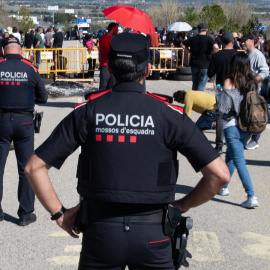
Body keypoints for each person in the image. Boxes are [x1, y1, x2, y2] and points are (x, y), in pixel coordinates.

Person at [25, 32, 230, 269]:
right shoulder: (169, 116)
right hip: (154, 235)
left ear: (109, 69)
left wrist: (59, 214)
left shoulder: (87, 112)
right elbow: (220, 175)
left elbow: (34, 167)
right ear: (148, 70)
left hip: (101, 234)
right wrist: (182, 205)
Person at [0, 37, 48, 225]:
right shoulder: (30, 68)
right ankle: (25, 214)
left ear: (4, 51)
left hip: (1, 121)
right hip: (25, 123)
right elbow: (43, 98)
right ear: (21, 51)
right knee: (26, 168)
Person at [217, 52, 259, 209]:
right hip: (247, 127)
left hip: (232, 127)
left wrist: (217, 103)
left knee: (239, 161)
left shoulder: (230, 81)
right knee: (231, 157)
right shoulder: (252, 82)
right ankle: (224, 187)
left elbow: (224, 108)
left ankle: (251, 195)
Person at [208, 31, 238, 154]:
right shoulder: (237, 55)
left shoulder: (217, 56)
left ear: (221, 42)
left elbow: (210, 73)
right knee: (235, 116)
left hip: (221, 89)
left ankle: (219, 145)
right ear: (232, 41)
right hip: (236, 89)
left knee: (220, 117)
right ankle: (234, 144)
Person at [240, 34, 269, 150]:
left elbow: (265, 71)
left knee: (255, 114)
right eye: (241, 41)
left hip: (255, 91)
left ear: (252, 41)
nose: (242, 43)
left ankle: (255, 140)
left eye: (244, 41)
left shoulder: (257, 55)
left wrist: (253, 81)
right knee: (246, 114)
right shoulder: (247, 54)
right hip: (246, 89)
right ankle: (244, 137)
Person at [181, 23, 219, 91]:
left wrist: (189, 51)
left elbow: (182, 44)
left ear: (198, 30)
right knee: (201, 84)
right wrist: (213, 55)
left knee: (195, 83)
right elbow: (216, 47)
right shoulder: (209, 39)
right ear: (206, 30)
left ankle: (194, 98)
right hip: (205, 64)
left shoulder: (193, 38)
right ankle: (198, 99)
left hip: (194, 63)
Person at [98, 22, 118, 91]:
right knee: (103, 87)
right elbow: (106, 51)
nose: (117, 31)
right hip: (105, 65)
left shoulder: (114, 39)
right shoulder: (104, 38)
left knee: (111, 88)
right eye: (117, 29)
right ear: (113, 29)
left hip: (113, 66)